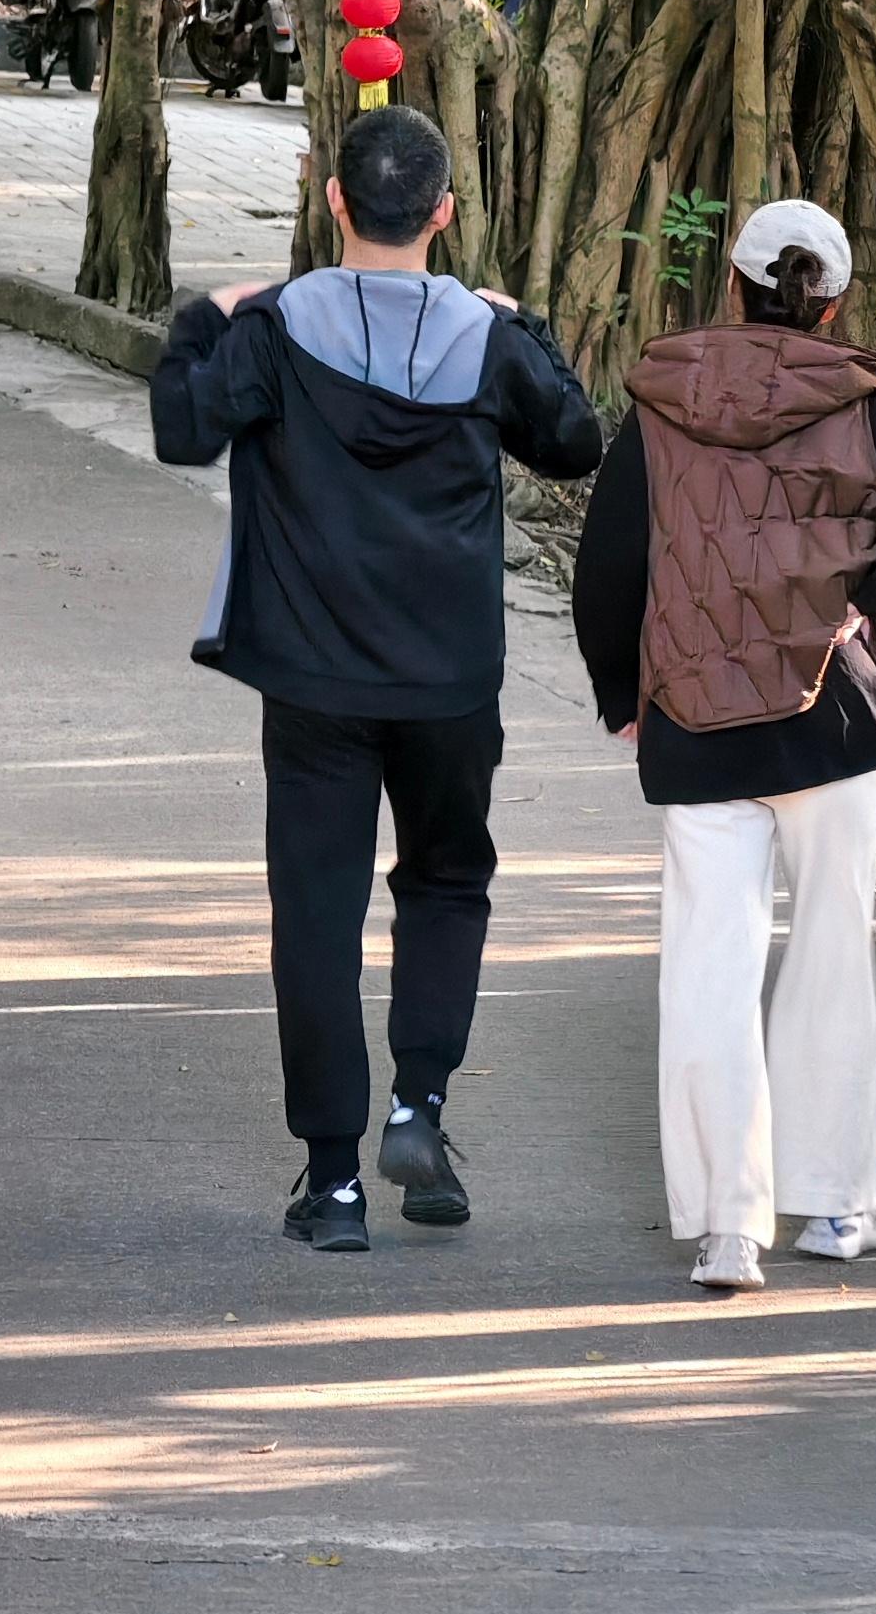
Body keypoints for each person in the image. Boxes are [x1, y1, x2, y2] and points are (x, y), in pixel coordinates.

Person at [151, 102, 601, 1252]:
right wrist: (526, 324)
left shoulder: (279, 327)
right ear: (443, 212)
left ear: (335, 200)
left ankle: (334, 1180)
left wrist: (205, 313)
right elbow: (575, 439)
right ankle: (421, 1104)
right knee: (446, 883)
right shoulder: (483, 336)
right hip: (450, 680)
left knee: (316, 913)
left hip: (314, 682)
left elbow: (181, 425)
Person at [572, 198, 876, 1297]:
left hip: (695, 716)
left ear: (735, 285)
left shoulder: (662, 400)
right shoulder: (870, 403)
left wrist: (624, 691)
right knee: (829, 956)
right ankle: (842, 1204)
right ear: (833, 297)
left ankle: (728, 1228)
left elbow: (611, 559)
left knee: (708, 968)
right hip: (836, 716)